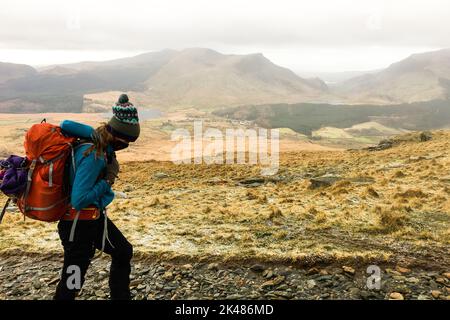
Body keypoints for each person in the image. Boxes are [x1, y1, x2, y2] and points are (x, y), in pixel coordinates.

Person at [54, 94, 140, 300]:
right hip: (78, 224)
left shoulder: (99, 143)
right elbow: (80, 198)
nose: (126, 145)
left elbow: (66, 123)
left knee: (123, 251)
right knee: (74, 276)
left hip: (92, 219)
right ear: (117, 135)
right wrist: (107, 182)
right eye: (126, 140)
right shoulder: (95, 155)